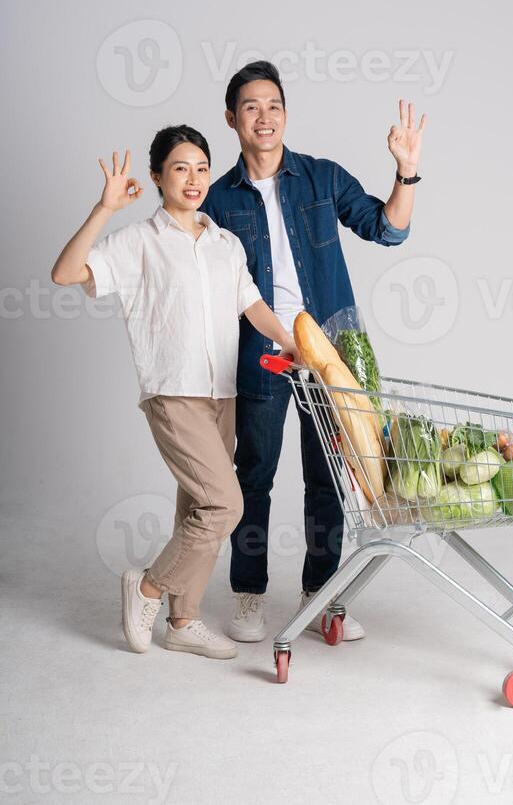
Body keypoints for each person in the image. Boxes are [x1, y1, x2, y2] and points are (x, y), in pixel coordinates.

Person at [51, 125, 298, 660]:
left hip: (221, 393)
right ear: (158, 176)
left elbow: (253, 305)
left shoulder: (224, 243)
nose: (193, 178)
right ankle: (147, 587)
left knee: (196, 507)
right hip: (172, 391)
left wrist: (294, 343)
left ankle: (182, 622)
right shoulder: (139, 241)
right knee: (224, 504)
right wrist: (104, 209)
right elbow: (66, 272)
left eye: (202, 167)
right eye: (180, 168)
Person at [201, 62, 426, 643]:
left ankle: (321, 596)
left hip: (329, 352)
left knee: (329, 477)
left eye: (273, 104)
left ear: (285, 113)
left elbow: (389, 229)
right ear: (232, 119)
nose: (264, 116)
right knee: (254, 474)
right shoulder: (219, 198)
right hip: (260, 353)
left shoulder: (321, 178)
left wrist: (406, 172)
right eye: (251, 107)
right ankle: (248, 596)